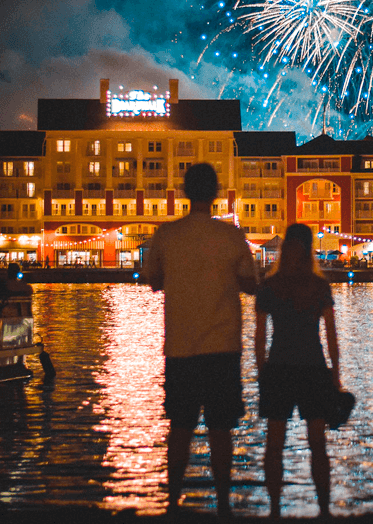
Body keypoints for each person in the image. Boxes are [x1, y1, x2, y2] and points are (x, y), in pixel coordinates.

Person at [144, 162, 257, 516]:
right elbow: (251, 284)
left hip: (180, 347)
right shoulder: (232, 237)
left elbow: (153, 280)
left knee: (180, 426)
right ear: (217, 194)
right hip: (223, 347)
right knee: (221, 429)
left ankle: (173, 502)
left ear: (183, 192)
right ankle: (223, 504)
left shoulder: (166, 235)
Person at [254, 223, 341, 518]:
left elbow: (259, 334)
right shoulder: (319, 286)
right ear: (310, 248)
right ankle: (324, 510)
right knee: (317, 443)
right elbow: (330, 333)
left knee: (274, 443)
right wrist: (335, 373)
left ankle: (276, 510)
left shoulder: (270, 285)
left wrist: (261, 370)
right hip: (313, 367)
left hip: (278, 366)